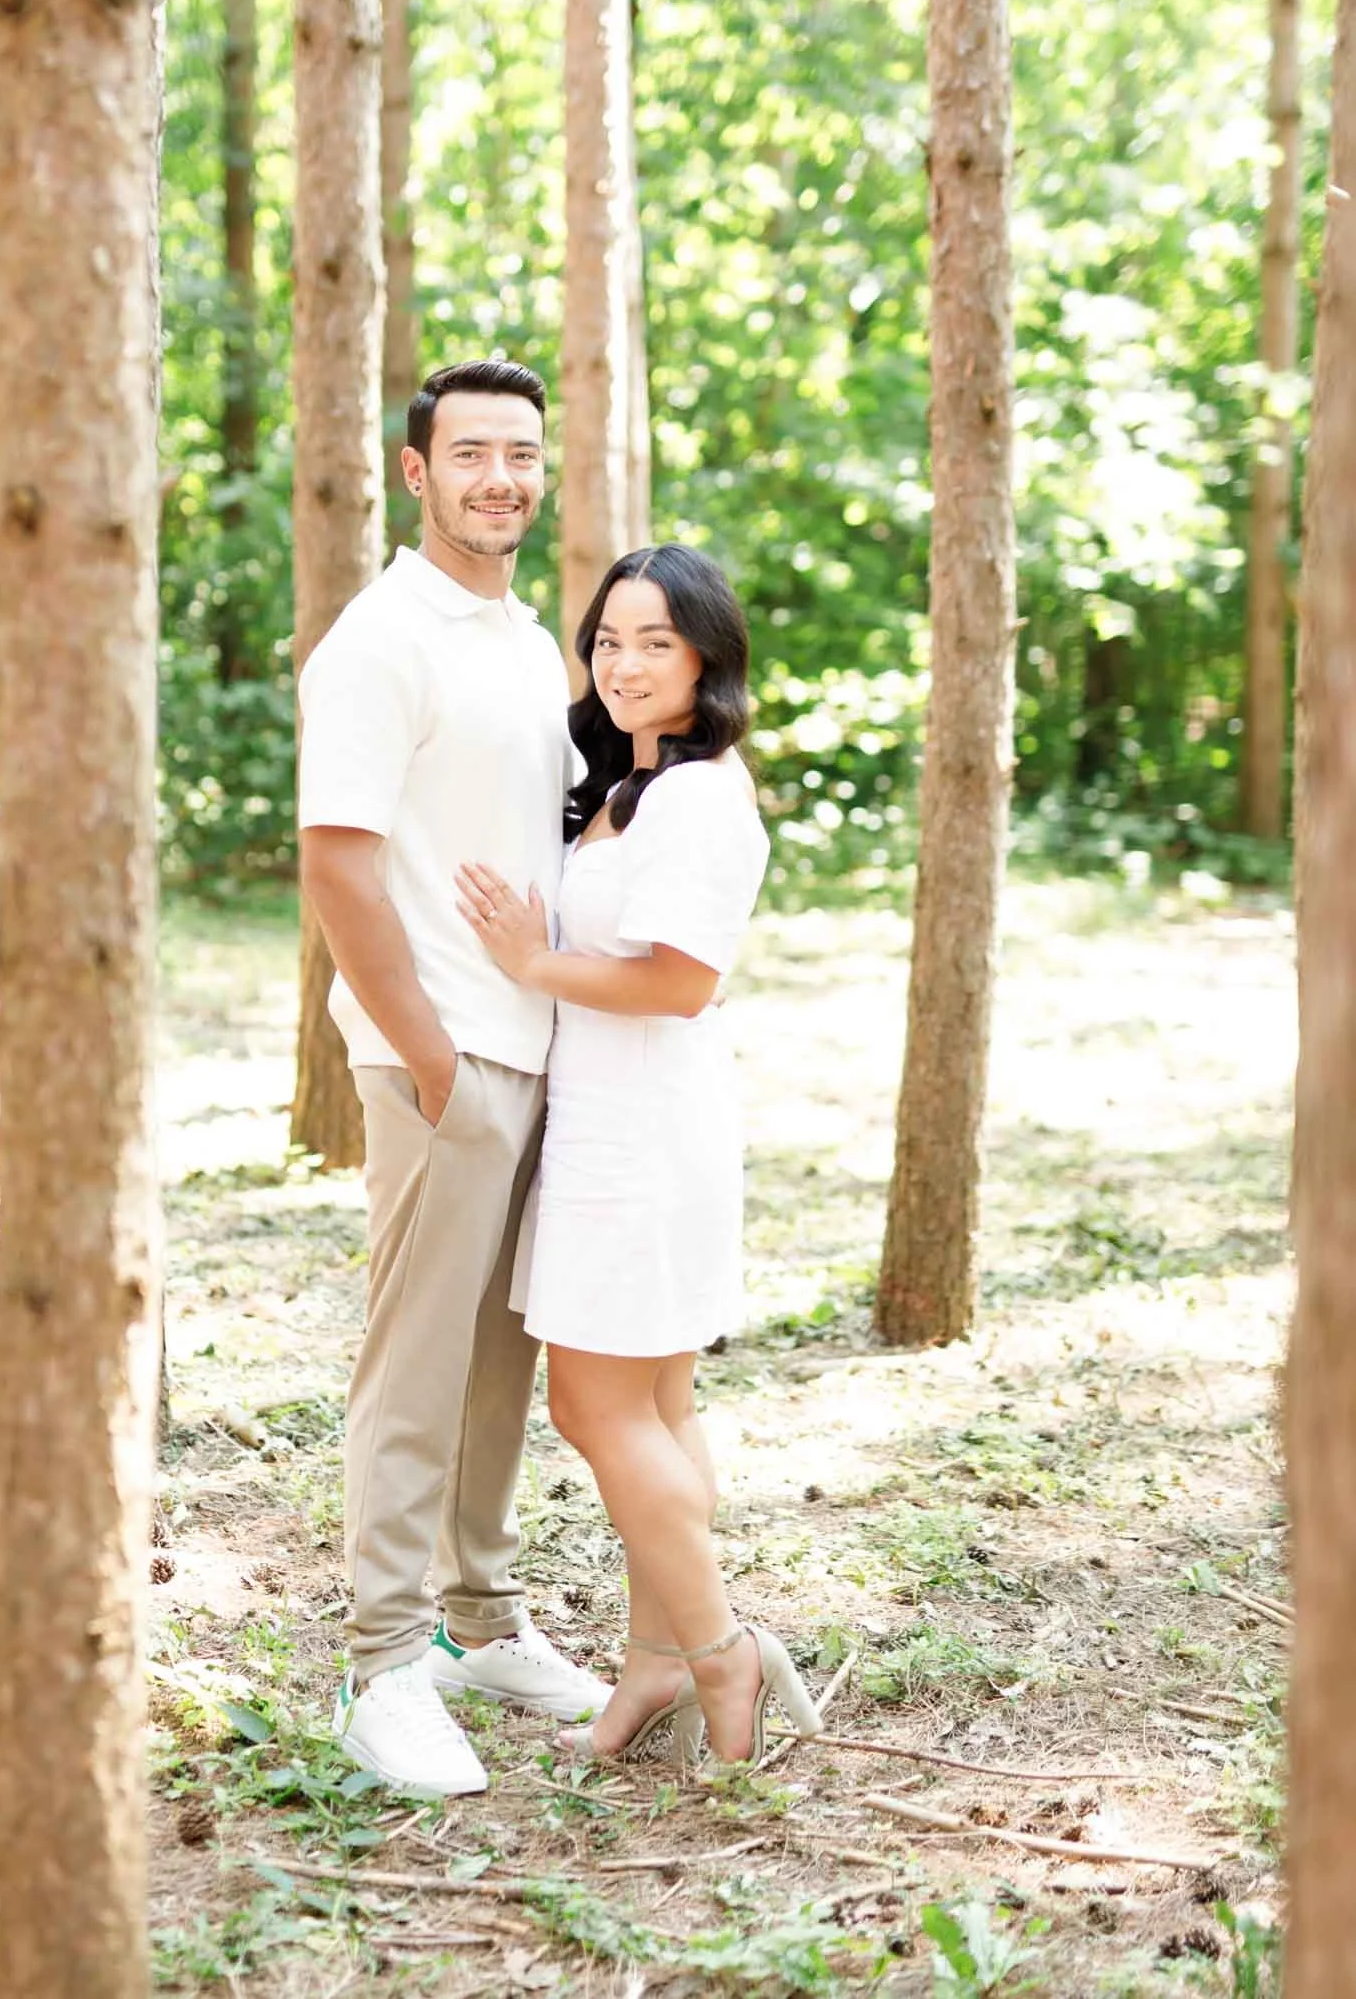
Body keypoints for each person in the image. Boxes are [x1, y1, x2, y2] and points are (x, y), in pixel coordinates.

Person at [297, 358, 611, 1798]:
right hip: (444, 1059)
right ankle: (378, 1661)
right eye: (470, 452)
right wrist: (423, 1052)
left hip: (539, 1046)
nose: (501, 476)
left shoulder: (522, 637)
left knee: (503, 1361)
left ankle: (480, 1625)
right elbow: (336, 863)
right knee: (415, 1368)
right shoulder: (379, 641)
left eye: (521, 454)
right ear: (414, 473)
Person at [457, 543, 821, 1768]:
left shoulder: (704, 795)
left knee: (594, 1405)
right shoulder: (626, 789)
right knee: (655, 1409)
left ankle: (723, 1653)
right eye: (606, 640)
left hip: (645, 1136)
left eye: (652, 641)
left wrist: (530, 962)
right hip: (611, 1123)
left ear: (705, 656)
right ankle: (654, 1664)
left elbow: (678, 980)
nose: (621, 663)